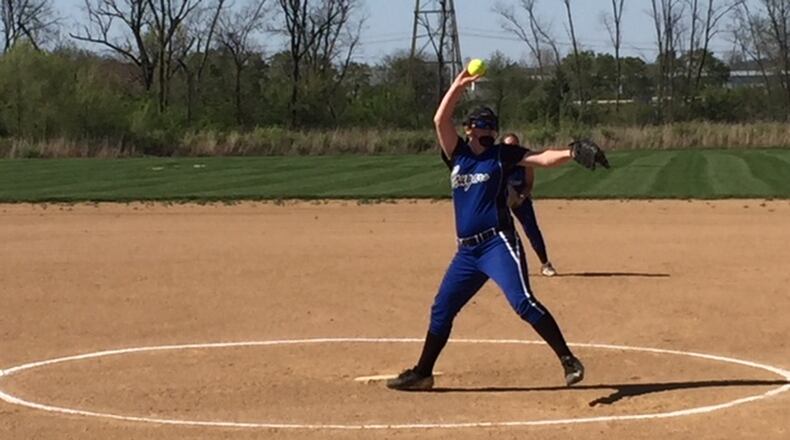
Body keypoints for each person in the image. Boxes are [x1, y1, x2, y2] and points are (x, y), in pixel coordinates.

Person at [386, 69, 609, 391]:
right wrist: (458, 87)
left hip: (497, 243)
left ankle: (568, 360)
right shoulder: (457, 155)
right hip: (467, 251)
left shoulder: (502, 155)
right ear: (468, 130)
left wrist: (570, 152)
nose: (487, 132)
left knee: (522, 301)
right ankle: (423, 373)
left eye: (491, 127)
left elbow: (542, 159)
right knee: (442, 308)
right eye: (481, 127)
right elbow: (439, 121)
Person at [502, 133, 557, 277]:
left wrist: (521, 197)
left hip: (520, 198)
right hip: (501, 200)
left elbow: (529, 183)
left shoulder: (525, 159)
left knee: (532, 230)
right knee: (503, 233)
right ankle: (503, 267)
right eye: (508, 146)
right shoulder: (498, 159)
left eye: (515, 146)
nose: (512, 149)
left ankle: (545, 264)